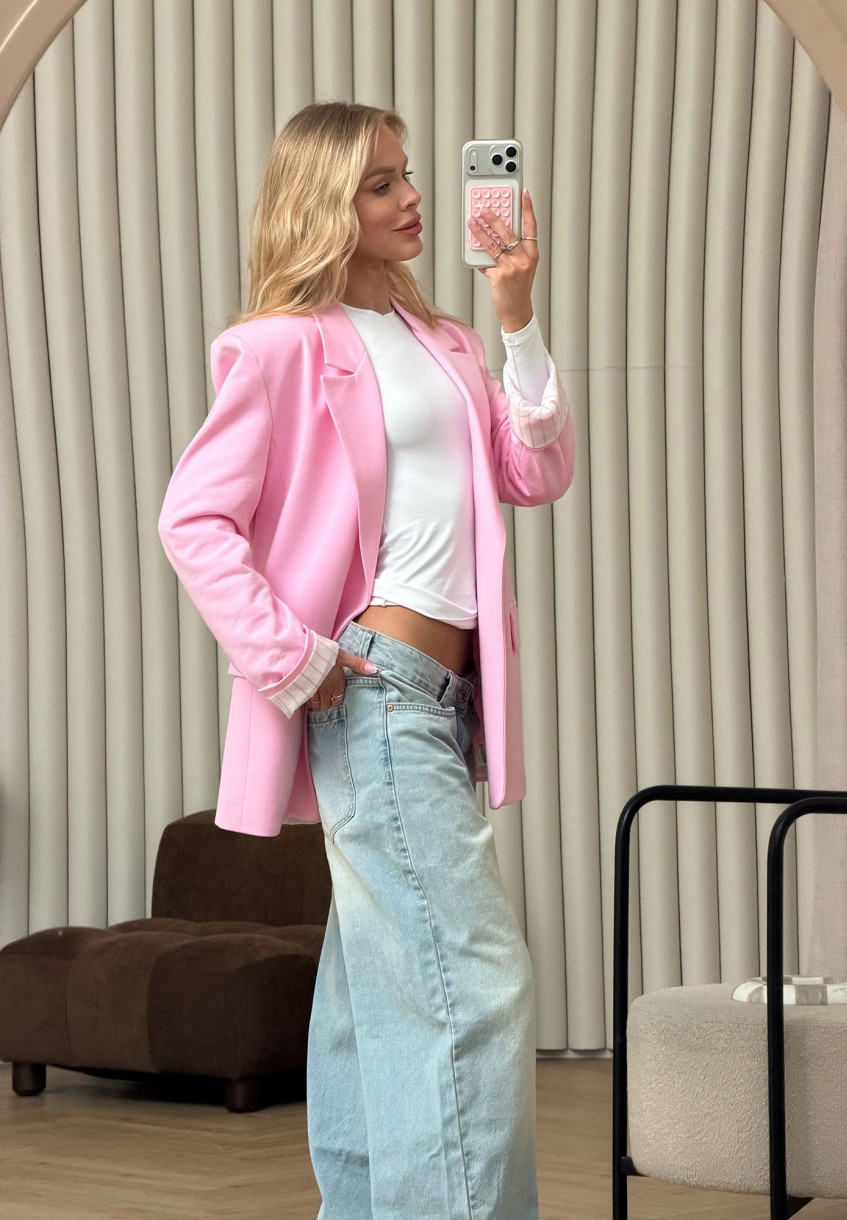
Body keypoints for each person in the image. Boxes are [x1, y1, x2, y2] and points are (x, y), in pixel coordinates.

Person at [158, 101, 573, 1220]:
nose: (413, 197)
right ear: (326, 205)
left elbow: (534, 475)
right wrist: (294, 659)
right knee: (472, 989)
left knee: (369, 1001)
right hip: (379, 695)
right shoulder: (280, 346)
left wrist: (516, 318)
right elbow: (192, 519)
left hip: (444, 699)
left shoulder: (445, 341)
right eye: (381, 183)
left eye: (408, 175)